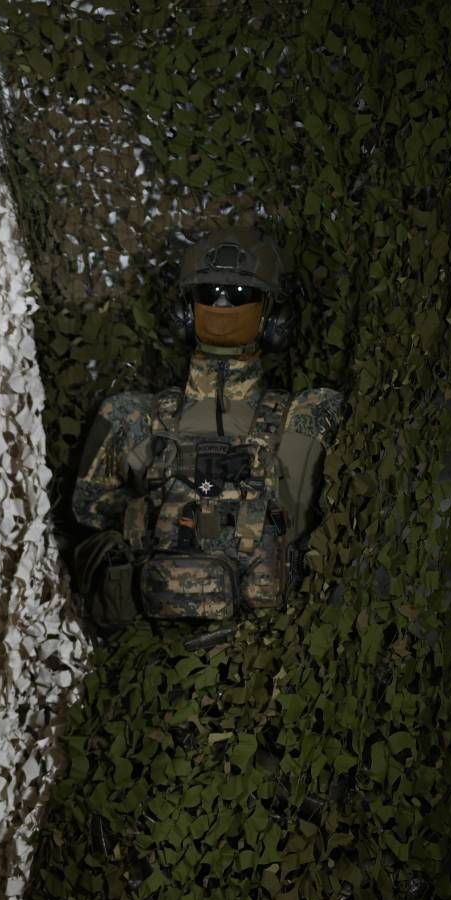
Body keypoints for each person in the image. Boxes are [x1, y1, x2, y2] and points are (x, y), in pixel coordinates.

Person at [71, 227, 343, 629]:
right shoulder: (130, 416)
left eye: (240, 295)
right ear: (185, 311)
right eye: (208, 293)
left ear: (274, 316)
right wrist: (141, 517)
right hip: (154, 640)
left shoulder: (311, 414)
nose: (222, 304)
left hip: (276, 642)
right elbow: (87, 510)